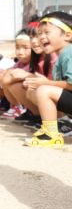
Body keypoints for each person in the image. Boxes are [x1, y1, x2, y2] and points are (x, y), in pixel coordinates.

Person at [22, 11, 72, 148]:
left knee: (44, 90)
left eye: (47, 32)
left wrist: (46, 83)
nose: (41, 37)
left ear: (68, 35)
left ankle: (51, 134)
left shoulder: (70, 52)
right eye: (39, 33)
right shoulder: (61, 56)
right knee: (35, 90)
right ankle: (60, 124)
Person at [0, 29, 34, 119]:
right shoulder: (20, 63)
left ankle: (22, 107)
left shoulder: (34, 64)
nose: (20, 52)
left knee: (8, 79)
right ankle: (15, 106)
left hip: (32, 95)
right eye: (17, 47)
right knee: (3, 76)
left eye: (25, 48)